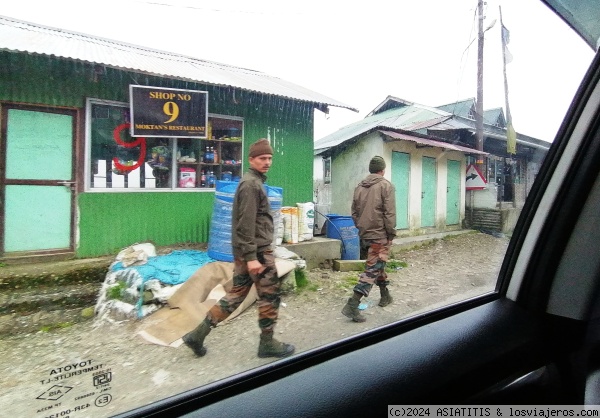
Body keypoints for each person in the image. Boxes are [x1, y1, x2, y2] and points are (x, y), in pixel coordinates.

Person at [182, 138, 295, 358]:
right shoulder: (251, 185)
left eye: (270, 158)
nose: (267, 162)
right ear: (251, 159)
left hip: (249, 251)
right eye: (262, 158)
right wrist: (252, 257)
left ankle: (197, 335)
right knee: (270, 296)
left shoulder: (253, 182)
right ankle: (267, 343)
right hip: (258, 253)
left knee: (235, 295)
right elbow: (245, 224)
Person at [342, 155, 397, 322]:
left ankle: (385, 295)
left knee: (378, 264)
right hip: (380, 234)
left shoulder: (359, 187)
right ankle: (352, 305)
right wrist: (391, 232)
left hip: (365, 234)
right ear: (383, 170)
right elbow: (389, 213)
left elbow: (354, 212)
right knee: (373, 268)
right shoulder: (386, 185)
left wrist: (361, 227)